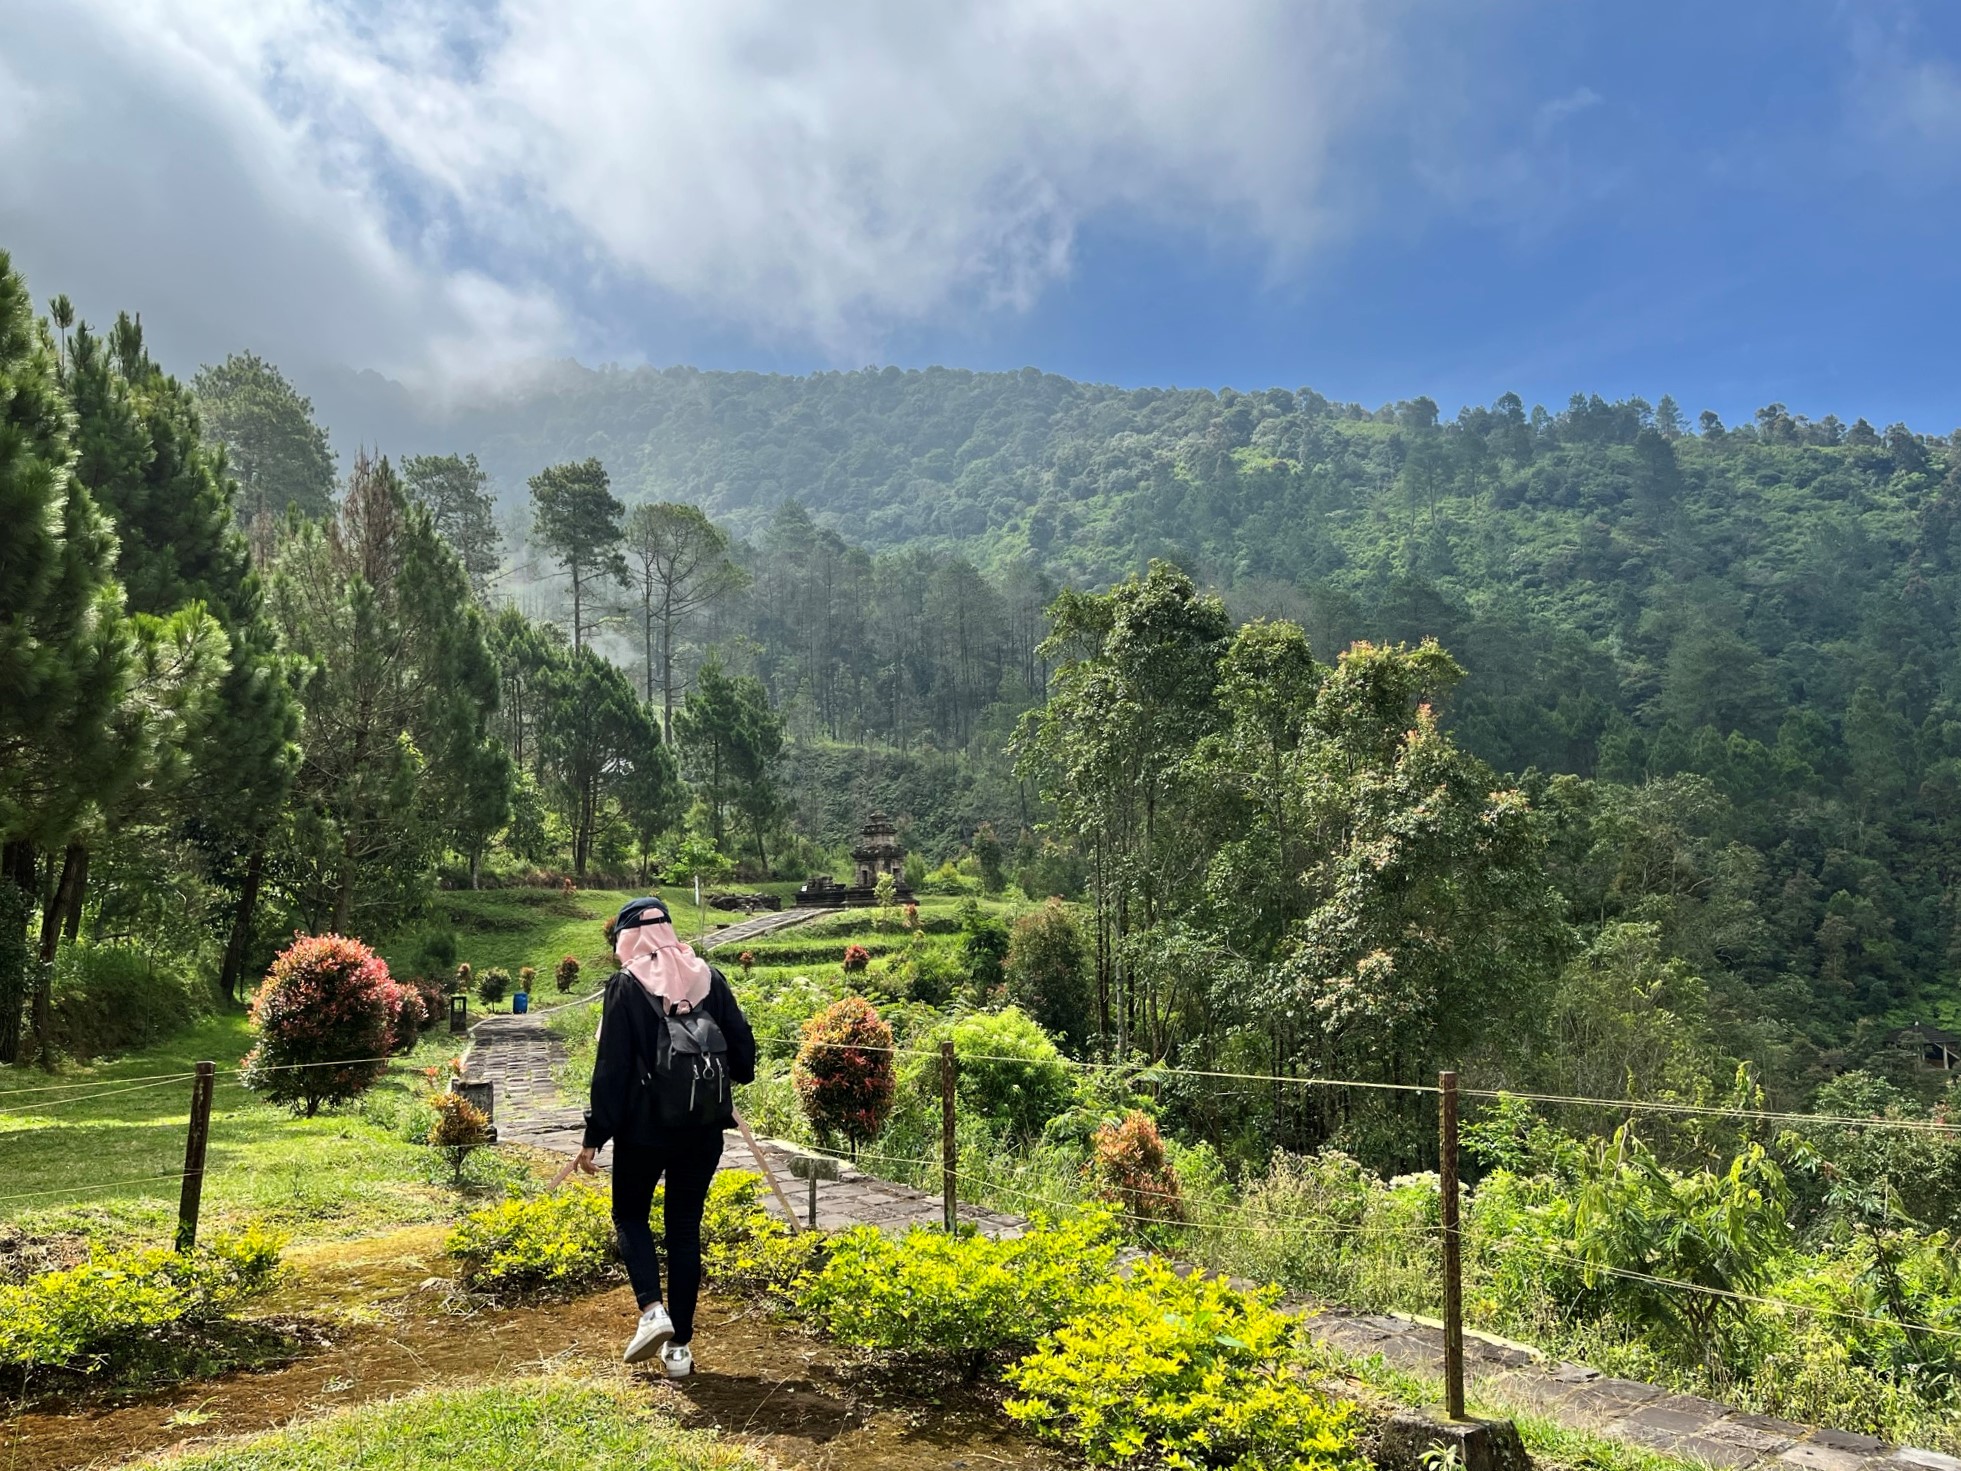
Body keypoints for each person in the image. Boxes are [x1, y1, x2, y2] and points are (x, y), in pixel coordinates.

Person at [574, 896, 756, 1378]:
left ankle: (652, 1311)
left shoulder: (628, 985)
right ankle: (679, 1349)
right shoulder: (710, 978)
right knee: (683, 1228)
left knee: (630, 1214)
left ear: (628, 940)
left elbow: (610, 1069)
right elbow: (744, 1056)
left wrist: (594, 1135)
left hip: (643, 1132)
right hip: (702, 1132)